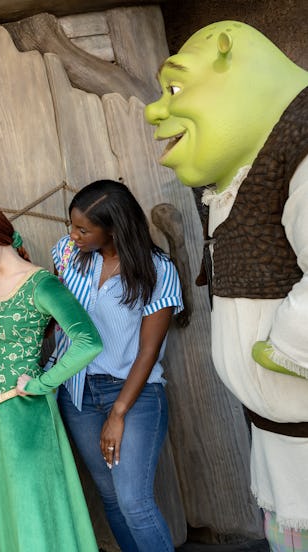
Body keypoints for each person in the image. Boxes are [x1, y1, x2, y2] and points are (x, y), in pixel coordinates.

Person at [145, 21, 308, 548]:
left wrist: (285, 349)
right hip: (278, 437)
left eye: (174, 89)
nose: (154, 110)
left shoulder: (301, 141)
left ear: (226, 56)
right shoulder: (241, 170)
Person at [0, 199, 103, 551]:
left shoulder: (41, 284)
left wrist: (42, 384)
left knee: (31, 498)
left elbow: (88, 341)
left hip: (25, 412)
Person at [52, 180, 183, 552]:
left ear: (113, 229)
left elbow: (148, 350)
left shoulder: (156, 270)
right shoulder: (67, 253)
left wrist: (119, 413)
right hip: (77, 394)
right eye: (72, 225)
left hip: (132, 393)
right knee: (110, 498)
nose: (73, 235)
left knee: (134, 502)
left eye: (83, 229)